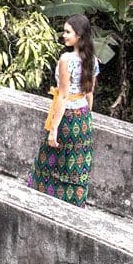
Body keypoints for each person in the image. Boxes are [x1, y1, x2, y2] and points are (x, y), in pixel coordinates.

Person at [26, 14, 98, 207]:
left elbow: (63, 96)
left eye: (68, 32)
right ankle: (74, 203)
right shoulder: (92, 59)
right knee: (75, 164)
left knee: (49, 161)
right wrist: (86, 118)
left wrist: (54, 128)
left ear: (79, 36)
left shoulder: (66, 59)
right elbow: (89, 93)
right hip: (83, 118)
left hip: (67, 117)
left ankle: (44, 204)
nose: (64, 35)